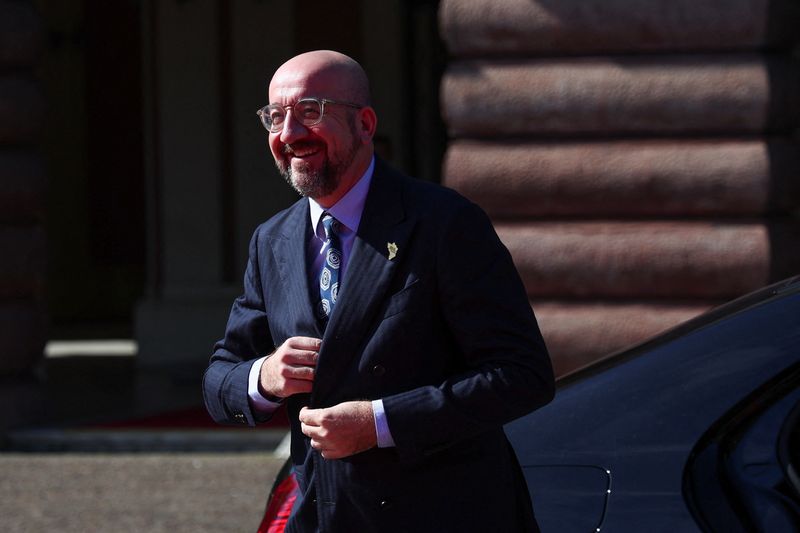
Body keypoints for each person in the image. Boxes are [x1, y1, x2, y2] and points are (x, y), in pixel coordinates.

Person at [203, 50, 555, 532]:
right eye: (276, 117)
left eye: (311, 112)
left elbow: (521, 375)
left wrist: (379, 423)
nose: (289, 135)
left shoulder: (444, 223)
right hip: (329, 516)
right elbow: (220, 379)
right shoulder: (273, 240)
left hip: (444, 516)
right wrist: (264, 375)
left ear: (365, 124)